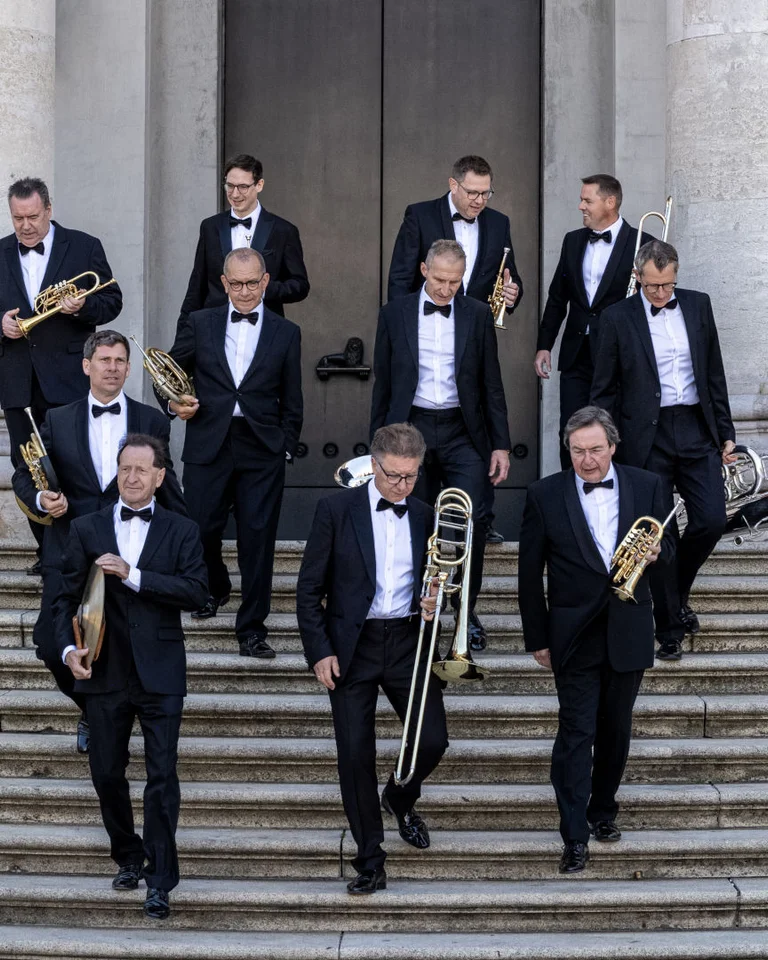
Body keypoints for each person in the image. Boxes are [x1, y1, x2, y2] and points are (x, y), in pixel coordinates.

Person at [53, 434, 208, 920]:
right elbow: (61, 600)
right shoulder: (86, 527)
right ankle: (128, 854)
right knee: (105, 773)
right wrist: (67, 649)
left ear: (161, 477)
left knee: (162, 778)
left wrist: (133, 574)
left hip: (161, 673)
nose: (133, 477)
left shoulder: (183, 531)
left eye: (142, 470)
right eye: (125, 469)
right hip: (104, 671)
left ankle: (160, 880)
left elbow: (197, 591)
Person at [12, 330, 185, 754]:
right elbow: (24, 473)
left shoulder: (152, 420)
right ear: (86, 365)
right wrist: (40, 497)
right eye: (103, 360)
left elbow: (168, 486)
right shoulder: (57, 418)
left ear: (128, 368)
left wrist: (184, 539)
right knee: (53, 647)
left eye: (119, 360)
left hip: (132, 553)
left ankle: (115, 722)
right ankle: (90, 710)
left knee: (126, 647)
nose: (111, 367)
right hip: (68, 549)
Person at [518, 406, 673, 874]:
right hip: (572, 633)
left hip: (628, 627)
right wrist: (537, 637)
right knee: (575, 731)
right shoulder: (544, 494)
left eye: (596, 450)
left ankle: (602, 810)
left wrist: (661, 555)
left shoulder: (647, 485)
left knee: (616, 729)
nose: (587, 460)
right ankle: (574, 834)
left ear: (614, 445)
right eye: (577, 451)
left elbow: (670, 567)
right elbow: (528, 575)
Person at [297, 423, 448, 895]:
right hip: (351, 648)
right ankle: (370, 859)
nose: (401, 486)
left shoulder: (428, 515)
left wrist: (435, 602)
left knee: (433, 741)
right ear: (373, 465)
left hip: (408, 641)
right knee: (355, 756)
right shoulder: (335, 509)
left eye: (411, 477)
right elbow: (308, 591)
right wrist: (319, 651)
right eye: (393, 477)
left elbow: (444, 586)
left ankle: (399, 799)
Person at [590, 239, 735, 661]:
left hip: (694, 429)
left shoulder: (698, 305)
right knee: (659, 534)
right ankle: (669, 627)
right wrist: (606, 443)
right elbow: (604, 388)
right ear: (638, 277)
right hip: (642, 437)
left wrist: (724, 430)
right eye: (653, 286)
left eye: (667, 285)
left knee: (709, 520)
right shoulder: (617, 318)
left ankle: (677, 592)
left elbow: (714, 372)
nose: (660, 293)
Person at [162, 246, 303, 658]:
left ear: (265, 282)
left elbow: (293, 399)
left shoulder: (286, 332)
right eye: (236, 283)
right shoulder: (200, 322)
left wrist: (285, 446)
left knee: (257, 543)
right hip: (209, 441)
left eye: (252, 283)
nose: (244, 292)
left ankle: (252, 630)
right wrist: (172, 404)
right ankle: (217, 585)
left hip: (262, 448)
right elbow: (168, 372)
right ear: (224, 284)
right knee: (201, 527)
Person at [371, 239, 510, 651]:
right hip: (409, 429)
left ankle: (464, 612)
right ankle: (418, 610)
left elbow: (491, 383)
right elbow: (383, 384)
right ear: (423, 270)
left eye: (455, 281)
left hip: (462, 430)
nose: (447, 288)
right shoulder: (394, 314)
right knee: (417, 521)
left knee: (471, 522)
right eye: (441, 279)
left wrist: (500, 444)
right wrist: (375, 446)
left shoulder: (478, 315)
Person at [387, 155, 521, 545]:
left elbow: (511, 279)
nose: (480, 200)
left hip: (474, 333)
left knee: (480, 407)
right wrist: (403, 328)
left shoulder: (499, 224)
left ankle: (482, 516)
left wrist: (513, 295)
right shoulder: (420, 215)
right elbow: (400, 277)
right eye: (473, 192)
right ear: (453, 185)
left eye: (486, 193)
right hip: (423, 332)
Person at [0, 177, 123, 565]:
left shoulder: (84, 246)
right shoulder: (0, 252)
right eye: (17, 218)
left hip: (68, 377)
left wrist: (82, 308)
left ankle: (78, 546)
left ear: (49, 210)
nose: (25, 225)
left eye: (33, 216)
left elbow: (112, 302)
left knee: (74, 463)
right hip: (18, 381)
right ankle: (46, 549)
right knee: (29, 467)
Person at [535, 175, 651, 468]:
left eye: (587, 200)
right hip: (577, 354)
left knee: (615, 432)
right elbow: (557, 297)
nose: (580, 206)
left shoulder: (644, 243)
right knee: (571, 429)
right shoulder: (572, 241)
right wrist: (544, 345)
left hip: (619, 356)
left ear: (610, 202)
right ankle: (569, 501)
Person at [178, 153, 309, 322]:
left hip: (264, 328)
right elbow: (196, 287)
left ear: (259, 185)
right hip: (214, 328)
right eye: (230, 186)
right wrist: (182, 341)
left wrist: (263, 288)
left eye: (243, 187)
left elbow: (300, 285)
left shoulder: (283, 230)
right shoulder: (210, 227)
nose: (235, 194)